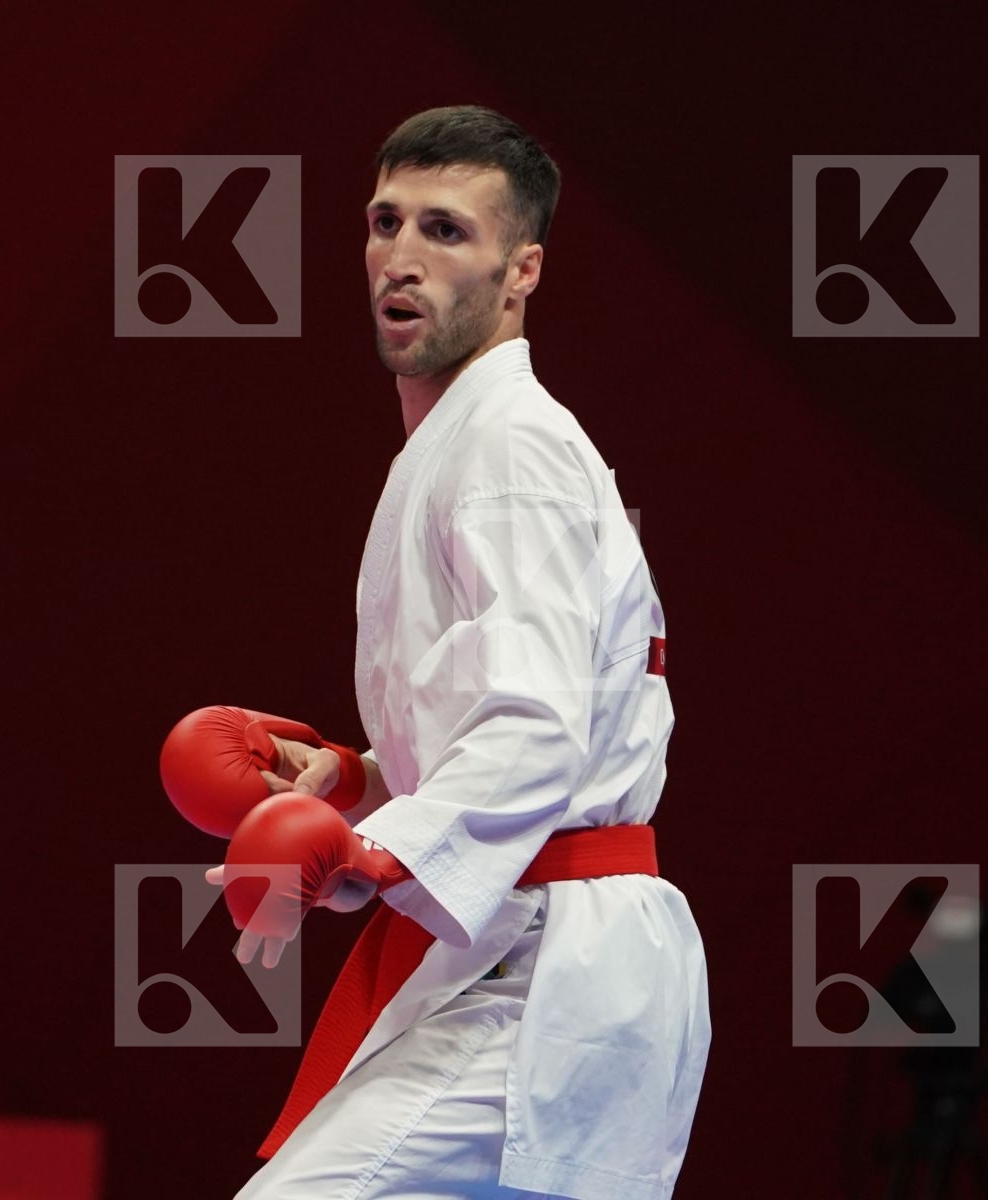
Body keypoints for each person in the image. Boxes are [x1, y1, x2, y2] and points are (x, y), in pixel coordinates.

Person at [208, 106, 711, 1199]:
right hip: (525, 947)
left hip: (548, 969)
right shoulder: (458, 443)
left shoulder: (507, 445)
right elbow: (499, 720)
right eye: (386, 222)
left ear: (522, 269)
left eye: (447, 231)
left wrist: (380, 856)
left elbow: (537, 727)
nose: (401, 256)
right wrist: (352, 783)